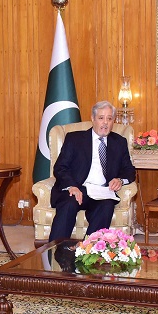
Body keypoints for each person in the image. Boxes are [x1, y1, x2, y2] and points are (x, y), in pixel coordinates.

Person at [48, 100, 136, 241]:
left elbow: (129, 170)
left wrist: (120, 180)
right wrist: (72, 186)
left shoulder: (119, 142)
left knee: (107, 206)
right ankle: (55, 250)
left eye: (109, 118)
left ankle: (89, 250)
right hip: (77, 189)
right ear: (93, 119)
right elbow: (60, 167)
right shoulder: (74, 139)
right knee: (68, 204)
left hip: (102, 192)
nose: (105, 123)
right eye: (101, 118)